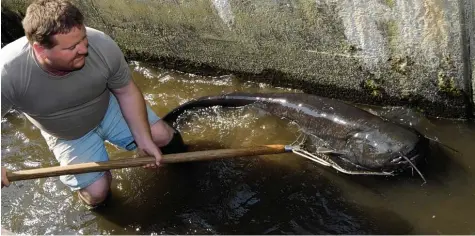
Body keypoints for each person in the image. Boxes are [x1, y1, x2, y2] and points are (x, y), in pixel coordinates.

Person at [1, 0, 185, 208]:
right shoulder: (8, 72)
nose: (83, 50)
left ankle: (187, 174)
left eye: (83, 39)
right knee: (96, 192)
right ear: (40, 50)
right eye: (71, 47)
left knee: (161, 135)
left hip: (107, 108)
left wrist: (144, 141)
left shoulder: (101, 44)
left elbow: (126, 91)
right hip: (68, 134)